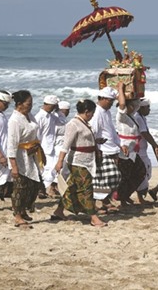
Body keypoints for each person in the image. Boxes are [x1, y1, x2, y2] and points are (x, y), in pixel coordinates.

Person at [52, 99, 107, 227]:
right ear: (87, 112)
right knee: (86, 189)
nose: (93, 115)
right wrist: (60, 161)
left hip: (88, 160)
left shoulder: (85, 123)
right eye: (92, 113)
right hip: (78, 161)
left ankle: (59, 211)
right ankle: (93, 217)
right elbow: (66, 145)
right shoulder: (73, 124)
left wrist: (96, 141)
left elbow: (83, 139)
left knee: (72, 187)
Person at [7, 90, 44, 228]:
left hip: (32, 154)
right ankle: (17, 215)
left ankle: (23, 210)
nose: (30, 106)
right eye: (28, 104)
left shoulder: (29, 116)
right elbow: (11, 144)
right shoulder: (15, 120)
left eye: (31, 104)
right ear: (19, 104)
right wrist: (14, 165)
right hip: (20, 156)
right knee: (20, 187)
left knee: (33, 185)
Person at [89, 87, 122, 213]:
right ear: (102, 99)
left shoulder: (106, 112)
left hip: (111, 148)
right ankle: (99, 202)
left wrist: (119, 144)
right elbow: (94, 132)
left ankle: (105, 201)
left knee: (106, 178)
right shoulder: (97, 113)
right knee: (108, 177)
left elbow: (111, 131)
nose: (111, 104)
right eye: (109, 101)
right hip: (103, 150)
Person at [115, 84, 146, 208]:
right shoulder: (121, 116)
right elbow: (122, 105)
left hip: (133, 150)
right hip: (125, 150)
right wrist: (121, 89)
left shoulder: (131, 116)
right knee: (124, 176)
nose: (134, 107)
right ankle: (121, 200)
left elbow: (138, 103)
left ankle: (126, 194)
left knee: (140, 171)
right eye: (131, 105)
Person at [35, 94, 66, 198]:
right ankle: (43, 190)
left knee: (51, 171)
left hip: (51, 148)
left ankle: (44, 190)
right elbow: (37, 135)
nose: (54, 108)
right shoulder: (39, 117)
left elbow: (62, 122)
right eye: (53, 106)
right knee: (45, 171)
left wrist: (58, 111)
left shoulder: (51, 116)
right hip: (43, 149)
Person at [133, 97, 158, 203]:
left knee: (146, 172)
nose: (149, 110)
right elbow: (145, 133)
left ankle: (140, 196)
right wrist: (155, 145)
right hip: (139, 150)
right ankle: (140, 198)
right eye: (147, 107)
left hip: (142, 149)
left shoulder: (142, 117)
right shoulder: (138, 117)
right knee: (143, 172)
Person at [54, 101, 71, 179]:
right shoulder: (56, 119)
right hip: (58, 146)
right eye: (67, 110)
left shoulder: (62, 118)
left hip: (63, 146)